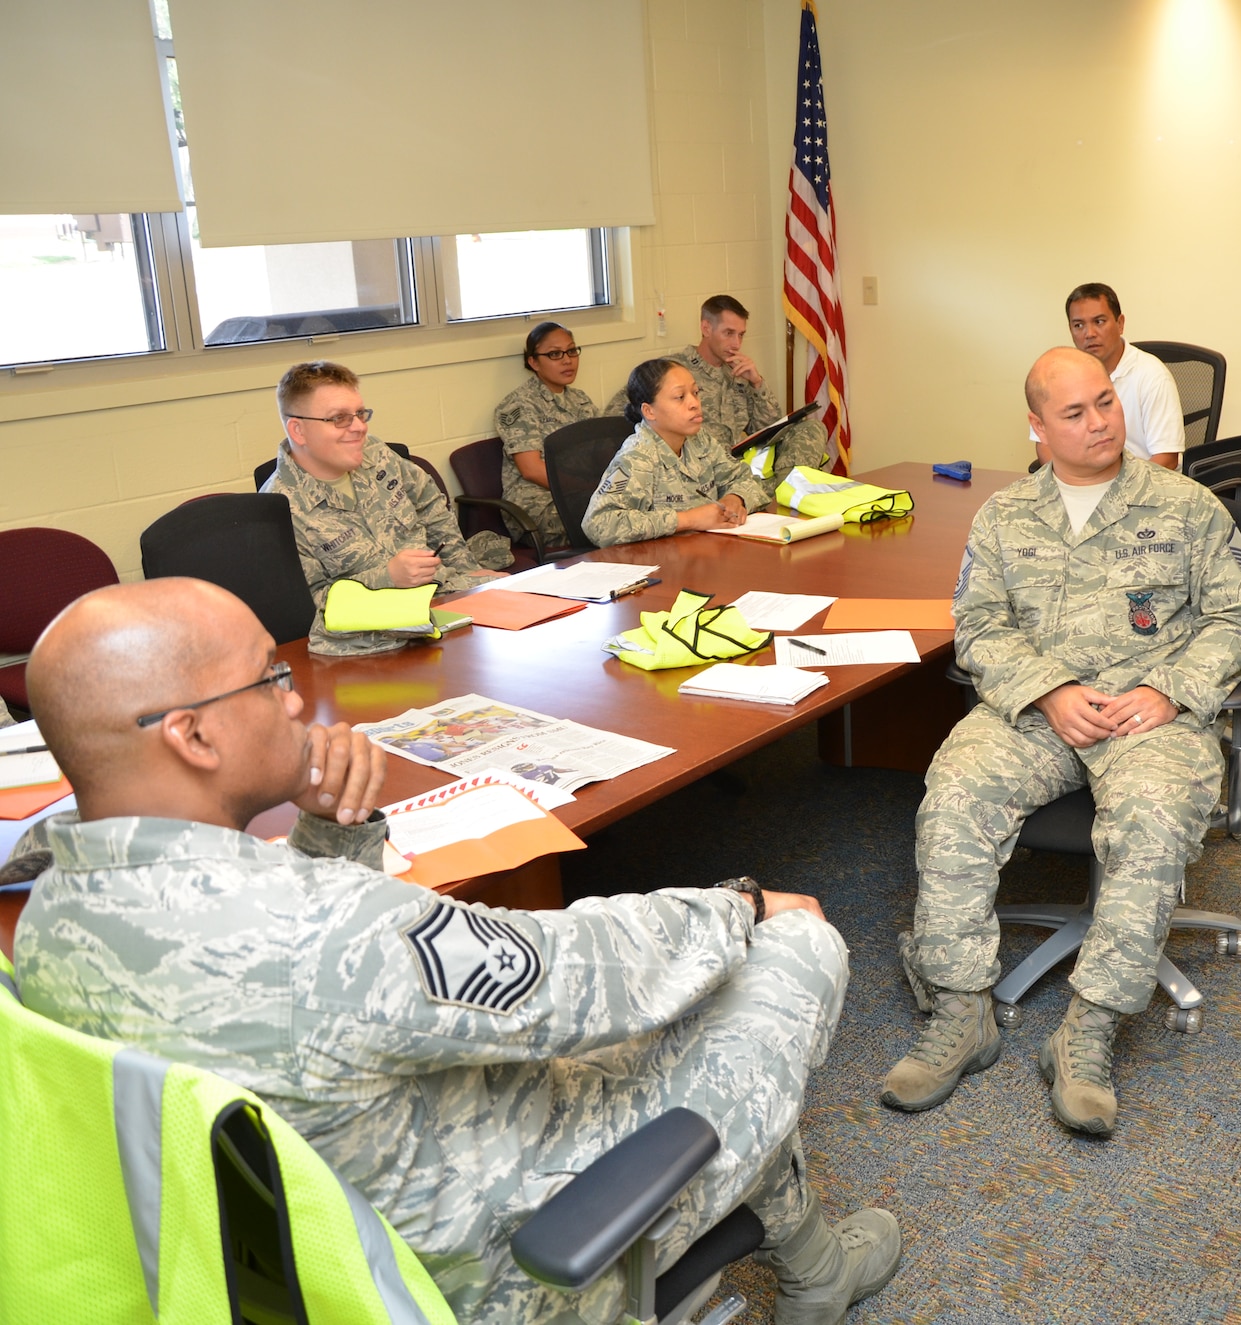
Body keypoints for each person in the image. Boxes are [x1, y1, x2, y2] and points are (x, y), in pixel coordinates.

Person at [7, 577, 902, 1323]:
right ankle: (814, 1268)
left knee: (700, 989)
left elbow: (335, 1001)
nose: (296, 699)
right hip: (502, 1259)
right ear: (192, 733)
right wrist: (738, 905)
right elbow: (581, 974)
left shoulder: (52, 917)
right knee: (788, 945)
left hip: (305, 1243)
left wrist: (335, 834)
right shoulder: (322, 937)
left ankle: (815, 1263)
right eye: (270, 678)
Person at [881, 347, 1241, 1136]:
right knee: (954, 793)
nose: (1099, 423)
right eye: (1074, 412)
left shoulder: (1186, 505)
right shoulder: (1003, 516)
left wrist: (1169, 689)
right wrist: (1048, 690)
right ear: (1036, 428)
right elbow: (979, 626)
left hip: (1144, 714)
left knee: (1157, 818)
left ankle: (1086, 1033)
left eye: (1106, 403)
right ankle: (962, 1011)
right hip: (1038, 710)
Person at [261, 361, 511, 657]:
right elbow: (311, 606)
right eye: (339, 418)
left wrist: (467, 570)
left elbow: (429, 502)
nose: (359, 427)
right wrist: (388, 577)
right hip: (376, 640)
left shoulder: (376, 455)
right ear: (298, 430)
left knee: (523, 593)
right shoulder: (278, 509)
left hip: (442, 598)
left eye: (360, 414)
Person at [583, 358, 768, 546]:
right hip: (661, 562)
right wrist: (687, 520)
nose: (694, 403)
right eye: (680, 397)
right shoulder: (636, 457)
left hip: (705, 552)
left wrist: (735, 498)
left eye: (696, 393)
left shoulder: (700, 440)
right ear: (649, 411)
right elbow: (598, 524)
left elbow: (746, 479)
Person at [667, 295, 830, 502]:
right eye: (729, 333)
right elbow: (626, 413)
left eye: (741, 335)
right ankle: (781, 494)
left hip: (742, 462)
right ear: (706, 328)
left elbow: (770, 427)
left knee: (811, 429)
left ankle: (781, 491)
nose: (736, 344)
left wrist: (756, 383)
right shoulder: (673, 371)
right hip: (706, 468)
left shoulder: (738, 371)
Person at [1028, 283, 1187, 470]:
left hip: (1143, 487)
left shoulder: (1152, 376)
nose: (1089, 334)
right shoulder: (1062, 376)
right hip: (1083, 484)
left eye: (1099, 322)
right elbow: (1044, 443)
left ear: (1120, 324)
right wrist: (1071, 482)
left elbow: (1167, 458)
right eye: (1078, 325)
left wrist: (1111, 491)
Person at [494, 321, 597, 550]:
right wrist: (588, 488)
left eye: (571, 351)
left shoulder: (581, 401)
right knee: (609, 520)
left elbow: (599, 455)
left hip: (583, 495)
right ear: (533, 362)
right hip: (538, 504)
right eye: (554, 354)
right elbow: (531, 469)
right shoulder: (519, 405)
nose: (567, 360)